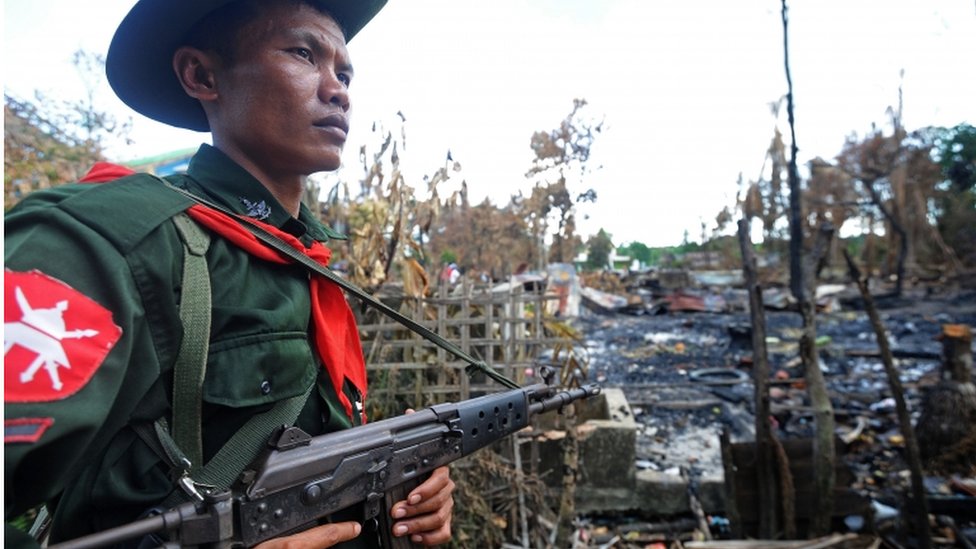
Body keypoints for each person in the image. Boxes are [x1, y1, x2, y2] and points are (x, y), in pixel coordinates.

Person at [4, 1, 455, 547]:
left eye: (345, 72)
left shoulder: (306, 261)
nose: (338, 90)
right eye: (303, 53)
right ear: (201, 74)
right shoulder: (112, 240)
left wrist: (398, 504)